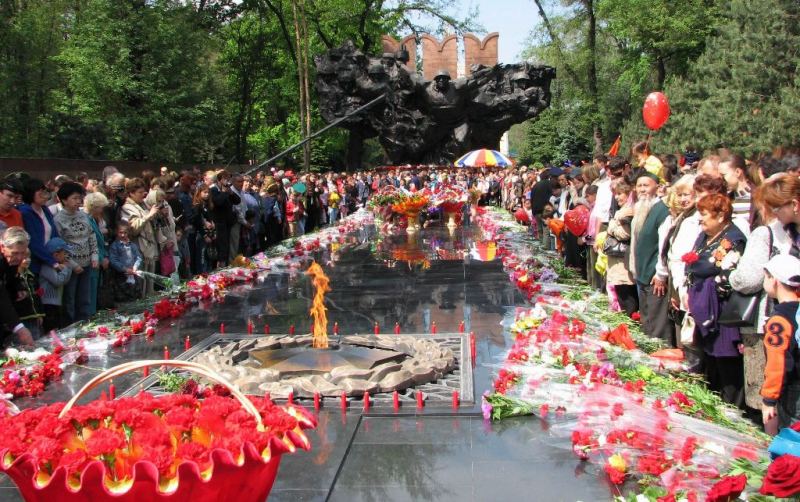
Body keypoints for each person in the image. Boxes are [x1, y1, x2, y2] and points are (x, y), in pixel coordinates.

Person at [730, 173, 800, 415]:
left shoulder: (771, 234)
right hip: (785, 318)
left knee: (775, 396)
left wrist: (730, 275)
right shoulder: (784, 232)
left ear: (794, 205)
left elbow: (748, 278)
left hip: (780, 318)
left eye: (775, 207)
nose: (772, 213)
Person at [686, 193, 747, 406]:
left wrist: (697, 266)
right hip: (704, 307)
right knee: (710, 361)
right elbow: (693, 260)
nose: (700, 219)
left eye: (704, 214)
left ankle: (733, 409)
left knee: (727, 365)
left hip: (723, 311)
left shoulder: (732, 238)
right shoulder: (705, 235)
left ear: (721, 216)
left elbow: (710, 265)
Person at [759, 254, 800, 430]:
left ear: (774, 280)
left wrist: (769, 400)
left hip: (794, 392)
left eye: (765, 276)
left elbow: (778, 363)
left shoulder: (779, 321)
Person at [630, 172, 672, 343]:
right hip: (642, 273)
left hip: (655, 276)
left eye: (646, 185)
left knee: (657, 325)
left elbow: (663, 244)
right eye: (639, 186)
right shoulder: (641, 207)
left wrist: (661, 273)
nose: (642, 189)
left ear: (657, 187)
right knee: (646, 319)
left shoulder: (662, 211)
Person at [54, 182, 97, 323]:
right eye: (74, 198)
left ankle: (85, 324)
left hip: (87, 262)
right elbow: (60, 245)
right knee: (70, 299)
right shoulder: (58, 219)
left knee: (85, 298)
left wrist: (94, 255)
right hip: (71, 265)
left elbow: (91, 235)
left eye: (80, 198)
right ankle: (71, 326)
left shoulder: (83, 216)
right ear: (64, 200)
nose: (78, 202)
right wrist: (72, 264)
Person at [120, 178, 160, 297]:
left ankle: (149, 298)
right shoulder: (126, 208)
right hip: (138, 246)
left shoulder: (143, 204)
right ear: (131, 193)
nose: (143, 194)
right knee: (141, 278)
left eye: (144, 192)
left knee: (149, 278)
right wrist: (149, 215)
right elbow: (132, 228)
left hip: (149, 245)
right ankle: (141, 303)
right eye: (139, 192)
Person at [605, 180, 637, 315]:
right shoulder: (622, 210)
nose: (617, 197)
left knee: (626, 297)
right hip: (618, 261)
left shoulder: (627, 211)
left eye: (620, 194)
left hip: (622, 261)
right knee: (621, 293)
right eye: (615, 194)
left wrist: (611, 227)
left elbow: (624, 234)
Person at [0, 227, 35, 346]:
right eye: (15, 253)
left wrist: (18, 289)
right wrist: (19, 328)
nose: (20, 258)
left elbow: (10, 278)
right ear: (2, 248)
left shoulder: (12, 259)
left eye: (23, 252)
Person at [19, 178, 59, 277]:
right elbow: (33, 242)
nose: (45, 196)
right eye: (40, 193)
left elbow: (54, 233)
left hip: (50, 259)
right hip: (35, 263)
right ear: (31, 193)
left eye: (45, 192)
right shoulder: (25, 213)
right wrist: (52, 261)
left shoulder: (45, 210)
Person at [83, 192, 110, 315]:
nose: (102, 211)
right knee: (90, 292)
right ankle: (90, 315)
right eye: (101, 207)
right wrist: (100, 258)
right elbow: (91, 243)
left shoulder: (93, 220)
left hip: (98, 259)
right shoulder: (87, 220)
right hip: (92, 261)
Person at [39, 238, 73, 333]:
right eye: (64, 253)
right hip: (48, 303)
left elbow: (65, 281)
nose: (65, 255)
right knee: (51, 329)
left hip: (56, 302)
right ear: (56, 255)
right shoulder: (47, 267)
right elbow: (58, 281)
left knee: (57, 327)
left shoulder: (58, 265)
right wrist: (66, 269)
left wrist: (68, 268)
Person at [108, 223, 143, 302]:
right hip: (121, 276)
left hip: (133, 275)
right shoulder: (115, 246)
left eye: (125, 233)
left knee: (135, 296)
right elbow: (113, 260)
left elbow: (138, 257)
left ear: (128, 233)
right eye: (121, 232)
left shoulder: (133, 245)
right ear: (117, 232)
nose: (123, 235)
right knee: (122, 298)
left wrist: (135, 267)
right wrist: (124, 269)